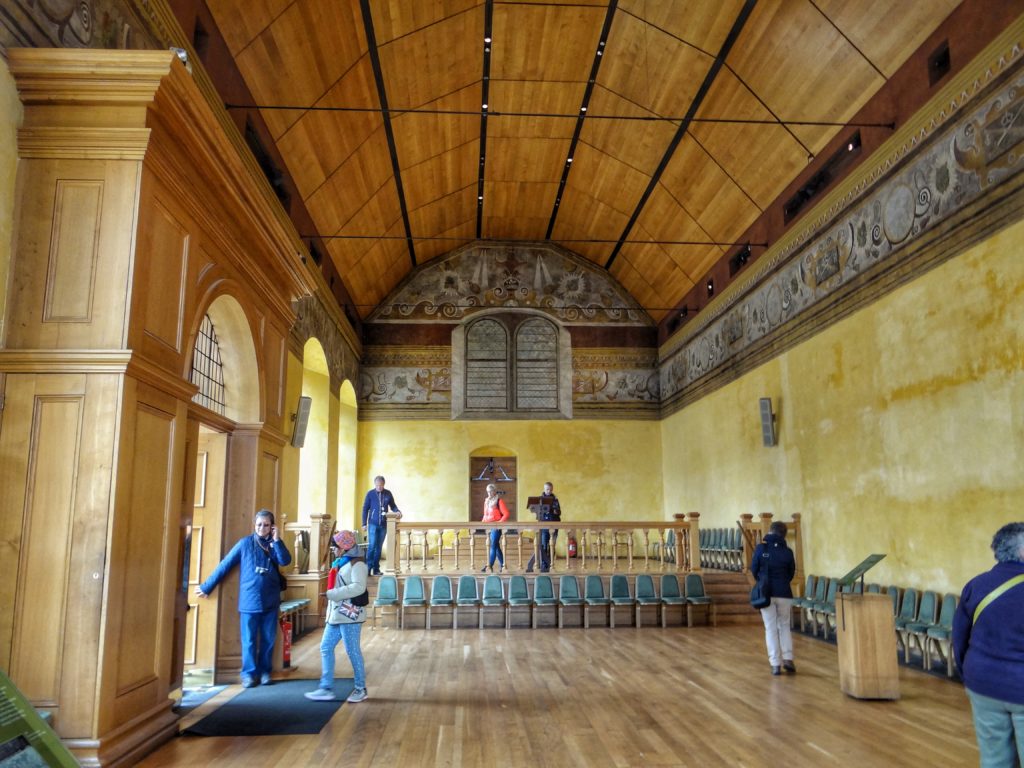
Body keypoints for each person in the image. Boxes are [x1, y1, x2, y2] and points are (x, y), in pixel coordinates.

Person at [953, 522, 1024, 767]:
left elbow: (960, 638)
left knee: (995, 759)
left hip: (982, 683)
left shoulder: (977, 584)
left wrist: (971, 675)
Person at [196, 509, 292, 688]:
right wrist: (207, 586)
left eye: (266, 525)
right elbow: (225, 565)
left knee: (268, 639)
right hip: (249, 601)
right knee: (248, 641)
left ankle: (265, 672)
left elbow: (285, 561)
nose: (262, 528)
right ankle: (248, 674)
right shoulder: (244, 544)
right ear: (254, 525)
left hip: (271, 600)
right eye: (259, 524)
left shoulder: (275, 543)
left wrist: (277, 540)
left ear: (272, 526)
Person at [305, 530, 369, 703]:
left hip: (349, 615)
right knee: (325, 647)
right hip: (336, 614)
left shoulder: (358, 564)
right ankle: (325, 688)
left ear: (344, 546)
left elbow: (359, 587)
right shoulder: (341, 563)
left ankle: (360, 688)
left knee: (352, 651)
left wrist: (332, 593)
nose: (334, 550)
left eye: (335, 547)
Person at [750, 521, 796, 676]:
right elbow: (791, 573)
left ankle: (775, 664)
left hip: (766, 592)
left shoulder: (761, 548)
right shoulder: (788, 552)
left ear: (770, 532)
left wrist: (762, 580)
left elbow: (754, 569)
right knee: (784, 626)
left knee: (770, 628)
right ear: (783, 534)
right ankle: (788, 658)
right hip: (784, 592)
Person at [362, 475, 401, 576]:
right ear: (375, 484)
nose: (379, 487)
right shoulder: (370, 494)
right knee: (372, 546)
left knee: (379, 547)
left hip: (383, 525)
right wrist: (363, 524)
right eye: (377, 485)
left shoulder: (388, 493)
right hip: (372, 524)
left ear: (384, 484)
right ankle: (368, 569)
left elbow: (393, 506)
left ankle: (376, 569)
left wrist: (398, 511)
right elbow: (365, 509)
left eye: (381, 485)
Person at [527, 482, 561, 573]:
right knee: (543, 545)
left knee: (552, 545)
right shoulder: (540, 500)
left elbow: (559, 512)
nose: (548, 491)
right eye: (547, 489)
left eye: (550, 489)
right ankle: (544, 563)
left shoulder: (555, 499)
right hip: (543, 525)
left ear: (552, 489)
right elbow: (535, 509)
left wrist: (555, 511)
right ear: (544, 489)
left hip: (554, 525)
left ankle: (551, 563)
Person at [481, 483, 509, 572]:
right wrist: (482, 523)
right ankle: (503, 565)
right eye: (487, 492)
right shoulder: (486, 501)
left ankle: (489, 566)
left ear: (494, 491)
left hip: (496, 527)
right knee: (496, 546)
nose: (489, 493)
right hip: (488, 527)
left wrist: (499, 524)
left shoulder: (499, 501)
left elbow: (506, 514)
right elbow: (485, 514)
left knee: (493, 545)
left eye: (491, 491)